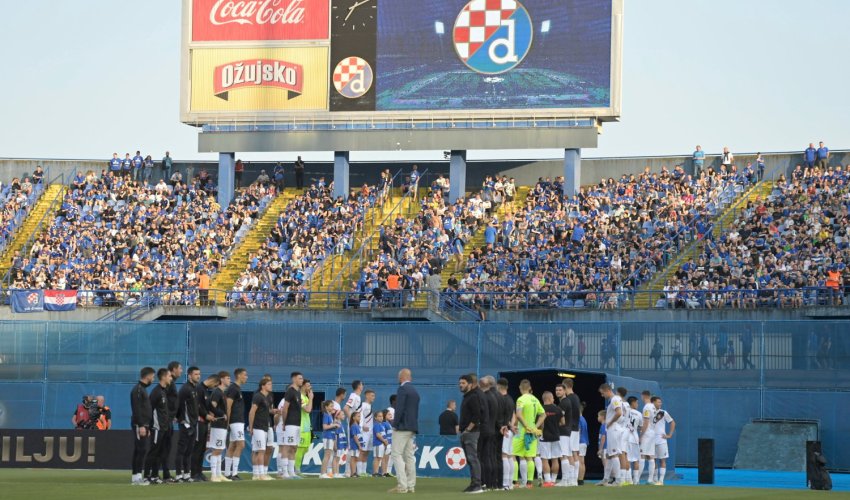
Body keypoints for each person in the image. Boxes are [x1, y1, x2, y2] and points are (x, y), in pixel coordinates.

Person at [389, 368, 419, 494]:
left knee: (396, 454)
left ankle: (402, 485)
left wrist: (395, 424)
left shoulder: (402, 389)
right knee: (409, 456)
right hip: (412, 427)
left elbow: (399, 408)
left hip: (402, 427)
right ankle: (411, 486)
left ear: (401, 377)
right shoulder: (414, 391)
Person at [513, 379, 544, 489]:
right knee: (530, 457)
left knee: (514, 455)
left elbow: (519, 414)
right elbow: (543, 414)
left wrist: (526, 426)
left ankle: (515, 482)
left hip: (522, 431)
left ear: (520, 388)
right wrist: (535, 426)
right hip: (533, 431)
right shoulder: (535, 399)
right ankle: (529, 483)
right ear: (530, 388)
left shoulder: (520, 399)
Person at [277, 372, 308, 479]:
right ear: (294, 379)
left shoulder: (298, 393)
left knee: (294, 447)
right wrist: (284, 423)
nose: (302, 380)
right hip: (290, 424)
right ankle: (284, 472)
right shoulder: (290, 391)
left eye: (302, 378)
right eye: (300, 378)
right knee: (286, 446)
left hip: (297, 424)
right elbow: (285, 408)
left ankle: (291, 472)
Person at [144, 368, 173, 484]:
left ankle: (155, 475)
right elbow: (149, 410)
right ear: (164, 377)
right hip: (157, 428)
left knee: (161, 452)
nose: (171, 378)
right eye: (169, 376)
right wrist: (149, 426)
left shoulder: (163, 391)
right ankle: (146, 476)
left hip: (164, 427)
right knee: (153, 452)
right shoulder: (156, 392)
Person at [458, 373, 484, 494]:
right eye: (460, 383)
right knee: (470, 459)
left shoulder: (473, 397)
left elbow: (477, 415)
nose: (460, 385)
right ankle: (473, 483)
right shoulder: (466, 397)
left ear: (470, 384)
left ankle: (477, 485)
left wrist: (468, 429)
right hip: (466, 432)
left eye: (463, 383)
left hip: (471, 433)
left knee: (473, 458)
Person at [598, 383, 628, 486]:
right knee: (609, 455)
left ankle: (618, 480)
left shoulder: (615, 399)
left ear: (607, 390)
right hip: (614, 429)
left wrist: (610, 422)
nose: (602, 396)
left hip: (614, 429)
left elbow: (619, 412)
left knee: (614, 454)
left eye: (602, 393)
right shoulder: (615, 399)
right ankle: (606, 479)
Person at [130, 366, 155, 486]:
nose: (153, 379)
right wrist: (141, 425)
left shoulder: (142, 389)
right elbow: (137, 409)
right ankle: (138, 477)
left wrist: (147, 426)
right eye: (153, 376)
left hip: (144, 425)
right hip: (139, 424)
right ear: (148, 376)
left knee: (139, 450)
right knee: (141, 450)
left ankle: (135, 476)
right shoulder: (138, 390)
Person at [176, 366, 200, 482]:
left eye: (199, 374)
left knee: (189, 451)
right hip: (186, 424)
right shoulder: (185, 389)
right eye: (196, 374)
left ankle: (186, 474)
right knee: (181, 450)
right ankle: (178, 475)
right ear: (189, 375)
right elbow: (178, 404)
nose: (198, 376)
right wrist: (180, 419)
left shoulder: (195, 388)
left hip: (194, 424)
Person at [192, 374, 218, 482]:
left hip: (205, 422)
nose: (215, 386)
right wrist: (205, 415)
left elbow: (209, 406)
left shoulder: (206, 390)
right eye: (215, 384)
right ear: (212, 381)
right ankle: (194, 474)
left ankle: (199, 472)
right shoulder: (199, 388)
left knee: (202, 449)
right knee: (197, 448)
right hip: (199, 422)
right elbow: (197, 405)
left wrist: (220, 413)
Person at [248, 377, 274, 481]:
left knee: (258, 450)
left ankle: (256, 474)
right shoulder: (258, 396)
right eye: (269, 384)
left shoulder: (268, 397)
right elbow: (252, 412)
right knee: (260, 450)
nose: (271, 386)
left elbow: (267, 411)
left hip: (265, 426)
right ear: (263, 386)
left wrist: (274, 411)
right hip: (258, 426)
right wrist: (251, 426)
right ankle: (261, 474)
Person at [207, 371, 231, 482]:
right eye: (227, 378)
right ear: (221, 379)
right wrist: (210, 422)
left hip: (222, 425)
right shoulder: (217, 392)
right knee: (216, 449)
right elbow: (212, 408)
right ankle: (213, 475)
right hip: (217, 425)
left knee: (220, 449)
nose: (229, 380)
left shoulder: (222, 393)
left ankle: (218, 473)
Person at [225, 368, 247, 480]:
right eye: (245, 375)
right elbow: (228, 405)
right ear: (238, 376)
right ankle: (234, 473)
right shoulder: (233, 388)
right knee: (241, 445)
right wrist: (228, 422)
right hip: (235, 421)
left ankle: (228, 473)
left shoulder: (237, 388)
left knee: (232, 445)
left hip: (238, 421)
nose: (246, 377)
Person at [479, 376, 500, 491]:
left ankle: (484, 482)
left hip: (486, 430)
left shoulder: (486, 397)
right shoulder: (495, 396)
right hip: (493, 429)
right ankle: (492, 483)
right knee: (491, 457)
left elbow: (483, 414)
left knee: (484, 457)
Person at [162, 361, 182, 483]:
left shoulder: (172, 384)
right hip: (166, 421)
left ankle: (165, 474)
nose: (181, 371)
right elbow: (165, 402)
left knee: (166, 448)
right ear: (173, 369)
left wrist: (174, 415)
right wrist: (169, 415)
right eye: (180, 368)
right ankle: (164, 474)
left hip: (169, 419)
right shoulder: (169, 384)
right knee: (164, 448)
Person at [539, 391, 563, 488]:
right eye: (553, 397)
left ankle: (548, 481)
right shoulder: (558, 409)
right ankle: (553, 480)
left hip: (544, 437)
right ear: (549, 398)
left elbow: (540, 424)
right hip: (556, 436)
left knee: (544, 460)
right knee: (555, 459)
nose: (554, 399)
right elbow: (563, 422)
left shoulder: (541, 409)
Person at [496, 378, 516, 490]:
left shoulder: (501, 399)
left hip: (504, 431)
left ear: (498, 386)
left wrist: (506, 426)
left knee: (504, 456)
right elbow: (513, 414)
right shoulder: (510, 399)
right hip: (509, 430)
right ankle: (509, 483)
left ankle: (504, 483)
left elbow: (501, 416)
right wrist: (512, 426)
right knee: (509, 456)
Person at [651, 396, 675, 486]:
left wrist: (669, 435)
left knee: (662, 460)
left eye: (660, 402)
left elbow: (672, 422)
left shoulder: (663, 413)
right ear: (653, 402)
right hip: (651, 440)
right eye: (658, 402)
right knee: (652, 460)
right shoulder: (649, 412)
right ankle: (655, 479)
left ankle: (661, 481)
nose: (660, 404)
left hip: (661, 440)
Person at [294, 379, 314, 475]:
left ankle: (296, 467)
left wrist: (310, 398)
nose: (309, 388)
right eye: (308, 386)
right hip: (301, 426)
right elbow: (308, 410)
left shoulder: (306, 397)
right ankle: (296, 469)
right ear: (302, 386)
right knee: (300, 448)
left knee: (305, 448)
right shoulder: (300, 396)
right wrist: (311, 398)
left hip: (306, 426)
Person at [639, 391, 657, 484]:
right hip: (652, 433)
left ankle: (636, 479)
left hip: (647, 434)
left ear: (643, 396)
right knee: (651, 456)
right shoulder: (653, 407)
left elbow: (645, 422)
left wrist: (641, 435)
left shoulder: (646, 407)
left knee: (642, 455)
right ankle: (650, 479)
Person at [357, 389, 376, 477]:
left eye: (374, 396)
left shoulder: (369, 406)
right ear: (367, 395)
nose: (373, 398)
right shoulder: (364, 405)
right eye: (372, 395)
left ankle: (364, 471)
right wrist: (361, 426)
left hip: (370, 433)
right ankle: (359, 472)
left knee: (367, 452)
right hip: (364, 433)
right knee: (362, 451)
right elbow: (359, 415)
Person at [320, 400, 340, 478]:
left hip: (330, 437)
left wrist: (334, 424)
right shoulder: (326, 415)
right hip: (327, 437)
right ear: (326, 407)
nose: (333, 408)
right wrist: (334, 425)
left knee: (328, 455)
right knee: (327, 455)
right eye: (331, 406)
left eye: (333, 406)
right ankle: (322, 473)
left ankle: (324, 473)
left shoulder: (329, 415)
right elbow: (324, 427)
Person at [626, 396, 642, 484]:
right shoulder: (638, 414)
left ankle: (629, 480)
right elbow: (641, 426)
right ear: (633, 402)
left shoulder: (625, 412)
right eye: (637, 402)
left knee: (627, 459)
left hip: (626, 438)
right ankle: (636, 481)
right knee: (636, 460)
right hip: (634, 438)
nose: (637, 404)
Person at [372, 410, 390, 476]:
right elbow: (378, 434)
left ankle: (377, 472)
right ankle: (375, 472)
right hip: (378, 443)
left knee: (379, 458)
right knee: (377, 458)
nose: (381, 418)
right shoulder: (376, 425)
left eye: (382, 416)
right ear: (375, 418)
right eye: (379, 416)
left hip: (381, 444)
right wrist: (384, 441)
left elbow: (383, 434)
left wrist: (385, 441)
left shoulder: (381, 425)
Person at [578, 402, 588, 485]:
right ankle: (580, 479)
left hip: (579, 442)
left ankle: (580, 479)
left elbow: (579, 431)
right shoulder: (583, 419)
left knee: (580, 461)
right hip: (583, 442)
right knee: (581, 461)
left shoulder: (579, 419)